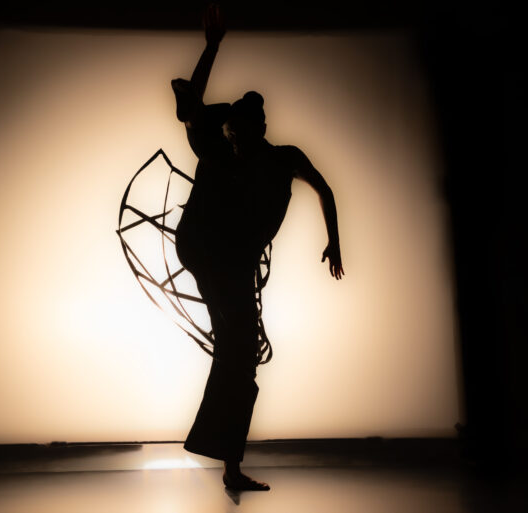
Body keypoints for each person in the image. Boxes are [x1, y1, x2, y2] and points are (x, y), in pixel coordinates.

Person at [171, 4, 344, 491]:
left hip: (233, 261)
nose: (237, 139)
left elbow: (324, 188)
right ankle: (229, 464)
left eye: (245, 131)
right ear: (229, 131)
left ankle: (229, 465)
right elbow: (191, 110)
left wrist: (334, 240)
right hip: (210, 253)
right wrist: (211, 48)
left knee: (237, 356)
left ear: (260, 129)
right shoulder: (220, 153)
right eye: (232, 132)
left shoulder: (280, 158)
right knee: (240, 352)